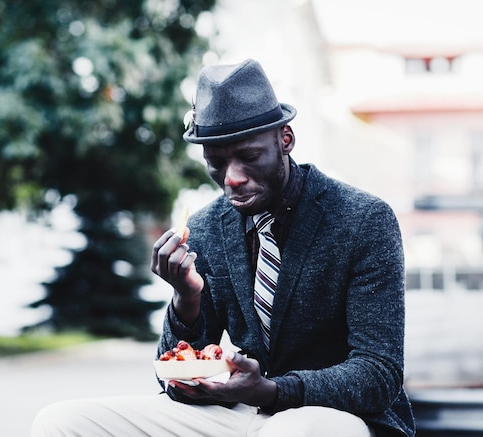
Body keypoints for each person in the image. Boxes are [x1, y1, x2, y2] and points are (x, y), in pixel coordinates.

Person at [31, 59, 415, 437]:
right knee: (60, 422)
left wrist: (274, 390)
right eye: (216, 162)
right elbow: (174, 381)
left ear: (286, 139)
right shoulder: (205, 228)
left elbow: (378, 372)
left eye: (248, 157)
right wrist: (186, 298)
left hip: (338, 416)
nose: (231, 179)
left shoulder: (363, 219)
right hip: (243, 411)